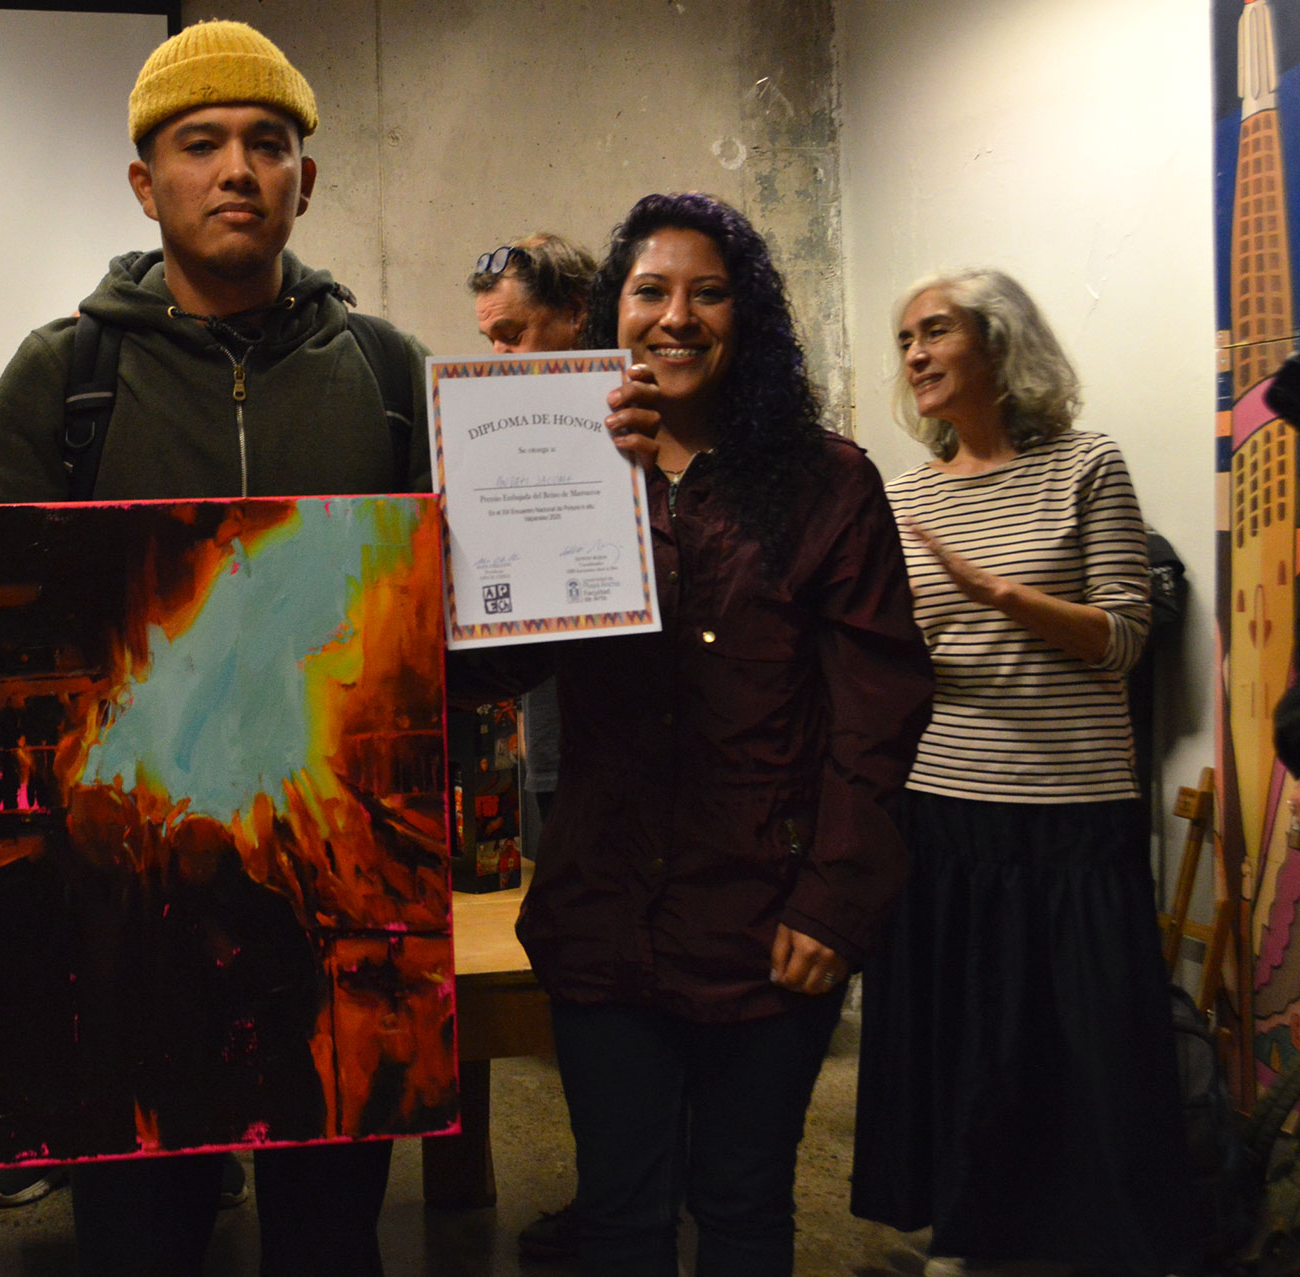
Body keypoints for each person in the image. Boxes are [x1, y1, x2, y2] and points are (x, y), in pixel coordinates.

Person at [0, 19, 428, 1276]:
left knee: (331, 1236)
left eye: (268, 144)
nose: (237, 170)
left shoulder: (387, 374)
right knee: (140, 1234)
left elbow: (459, 629)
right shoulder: (66, 375)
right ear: (144, 181)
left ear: (305, 182)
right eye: (200, 143)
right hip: (126, 893)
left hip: (337, 892)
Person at [456, 192, 933, 1276]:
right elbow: (485, 671)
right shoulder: (571, 466)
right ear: (611, 315)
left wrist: (836, 899)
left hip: (768, 926)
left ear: (744, 315)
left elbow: (878, 712)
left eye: (708, 293)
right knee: (621, 1218)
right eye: (651, 291)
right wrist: (487, 520)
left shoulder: (827, 484)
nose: (677, 316)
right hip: (603, 919)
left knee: (743, 1207)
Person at [850, 270, 1195, 1275]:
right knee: (972, 1040)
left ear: (999, 345)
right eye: (904, 338)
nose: (915, 354)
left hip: (1071, 805)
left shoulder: (1086, 466)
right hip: (945, 806)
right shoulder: (904, 494)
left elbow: (1123, 636)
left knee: (1089, 1046)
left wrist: (996, 591)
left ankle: (1109, 1243)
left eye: (936, 331)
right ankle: (972, 1231)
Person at [466, 231, 596, 1263]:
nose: (500, 358)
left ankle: (655, 1189)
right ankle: (616, 1189)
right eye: (489, 341)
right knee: (584, 973)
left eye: (513, 335)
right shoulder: (502, 435)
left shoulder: (644, 425)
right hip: (558, 728)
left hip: (660, 746)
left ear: (576, 317)